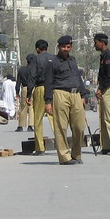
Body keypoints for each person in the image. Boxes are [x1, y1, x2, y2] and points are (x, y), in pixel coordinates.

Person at [44, 35, 88, 165]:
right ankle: (64, 156)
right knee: (61, 127)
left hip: (75, 95)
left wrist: (83, 95)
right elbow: (48, 82)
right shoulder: (52, 62)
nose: (66, 49)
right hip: (60, 94)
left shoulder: (73, 61)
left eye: (68, 47)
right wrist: (48, 101)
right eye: (63, 47)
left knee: (79, 126)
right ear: (59, 47)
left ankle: (76, 154)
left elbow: (78, 79)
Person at [29, 39, 56, 154]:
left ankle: (40, 148)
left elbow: (33, 76)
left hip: (40, 88)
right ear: (47, 48)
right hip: (53, 89)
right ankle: (61, 143)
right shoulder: (54, 58)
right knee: (55, 118)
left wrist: (29, 93)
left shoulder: (36, 59)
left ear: (37, 49)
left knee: (38, 119)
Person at [15, 54, 34, 132]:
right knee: (31, 107)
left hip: (25, 88)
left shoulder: (22, 70)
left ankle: (21, 126)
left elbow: (18, 82)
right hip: (33, 88)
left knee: (23, 107)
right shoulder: (34, 70)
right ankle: (30, 125)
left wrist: (17, 92)